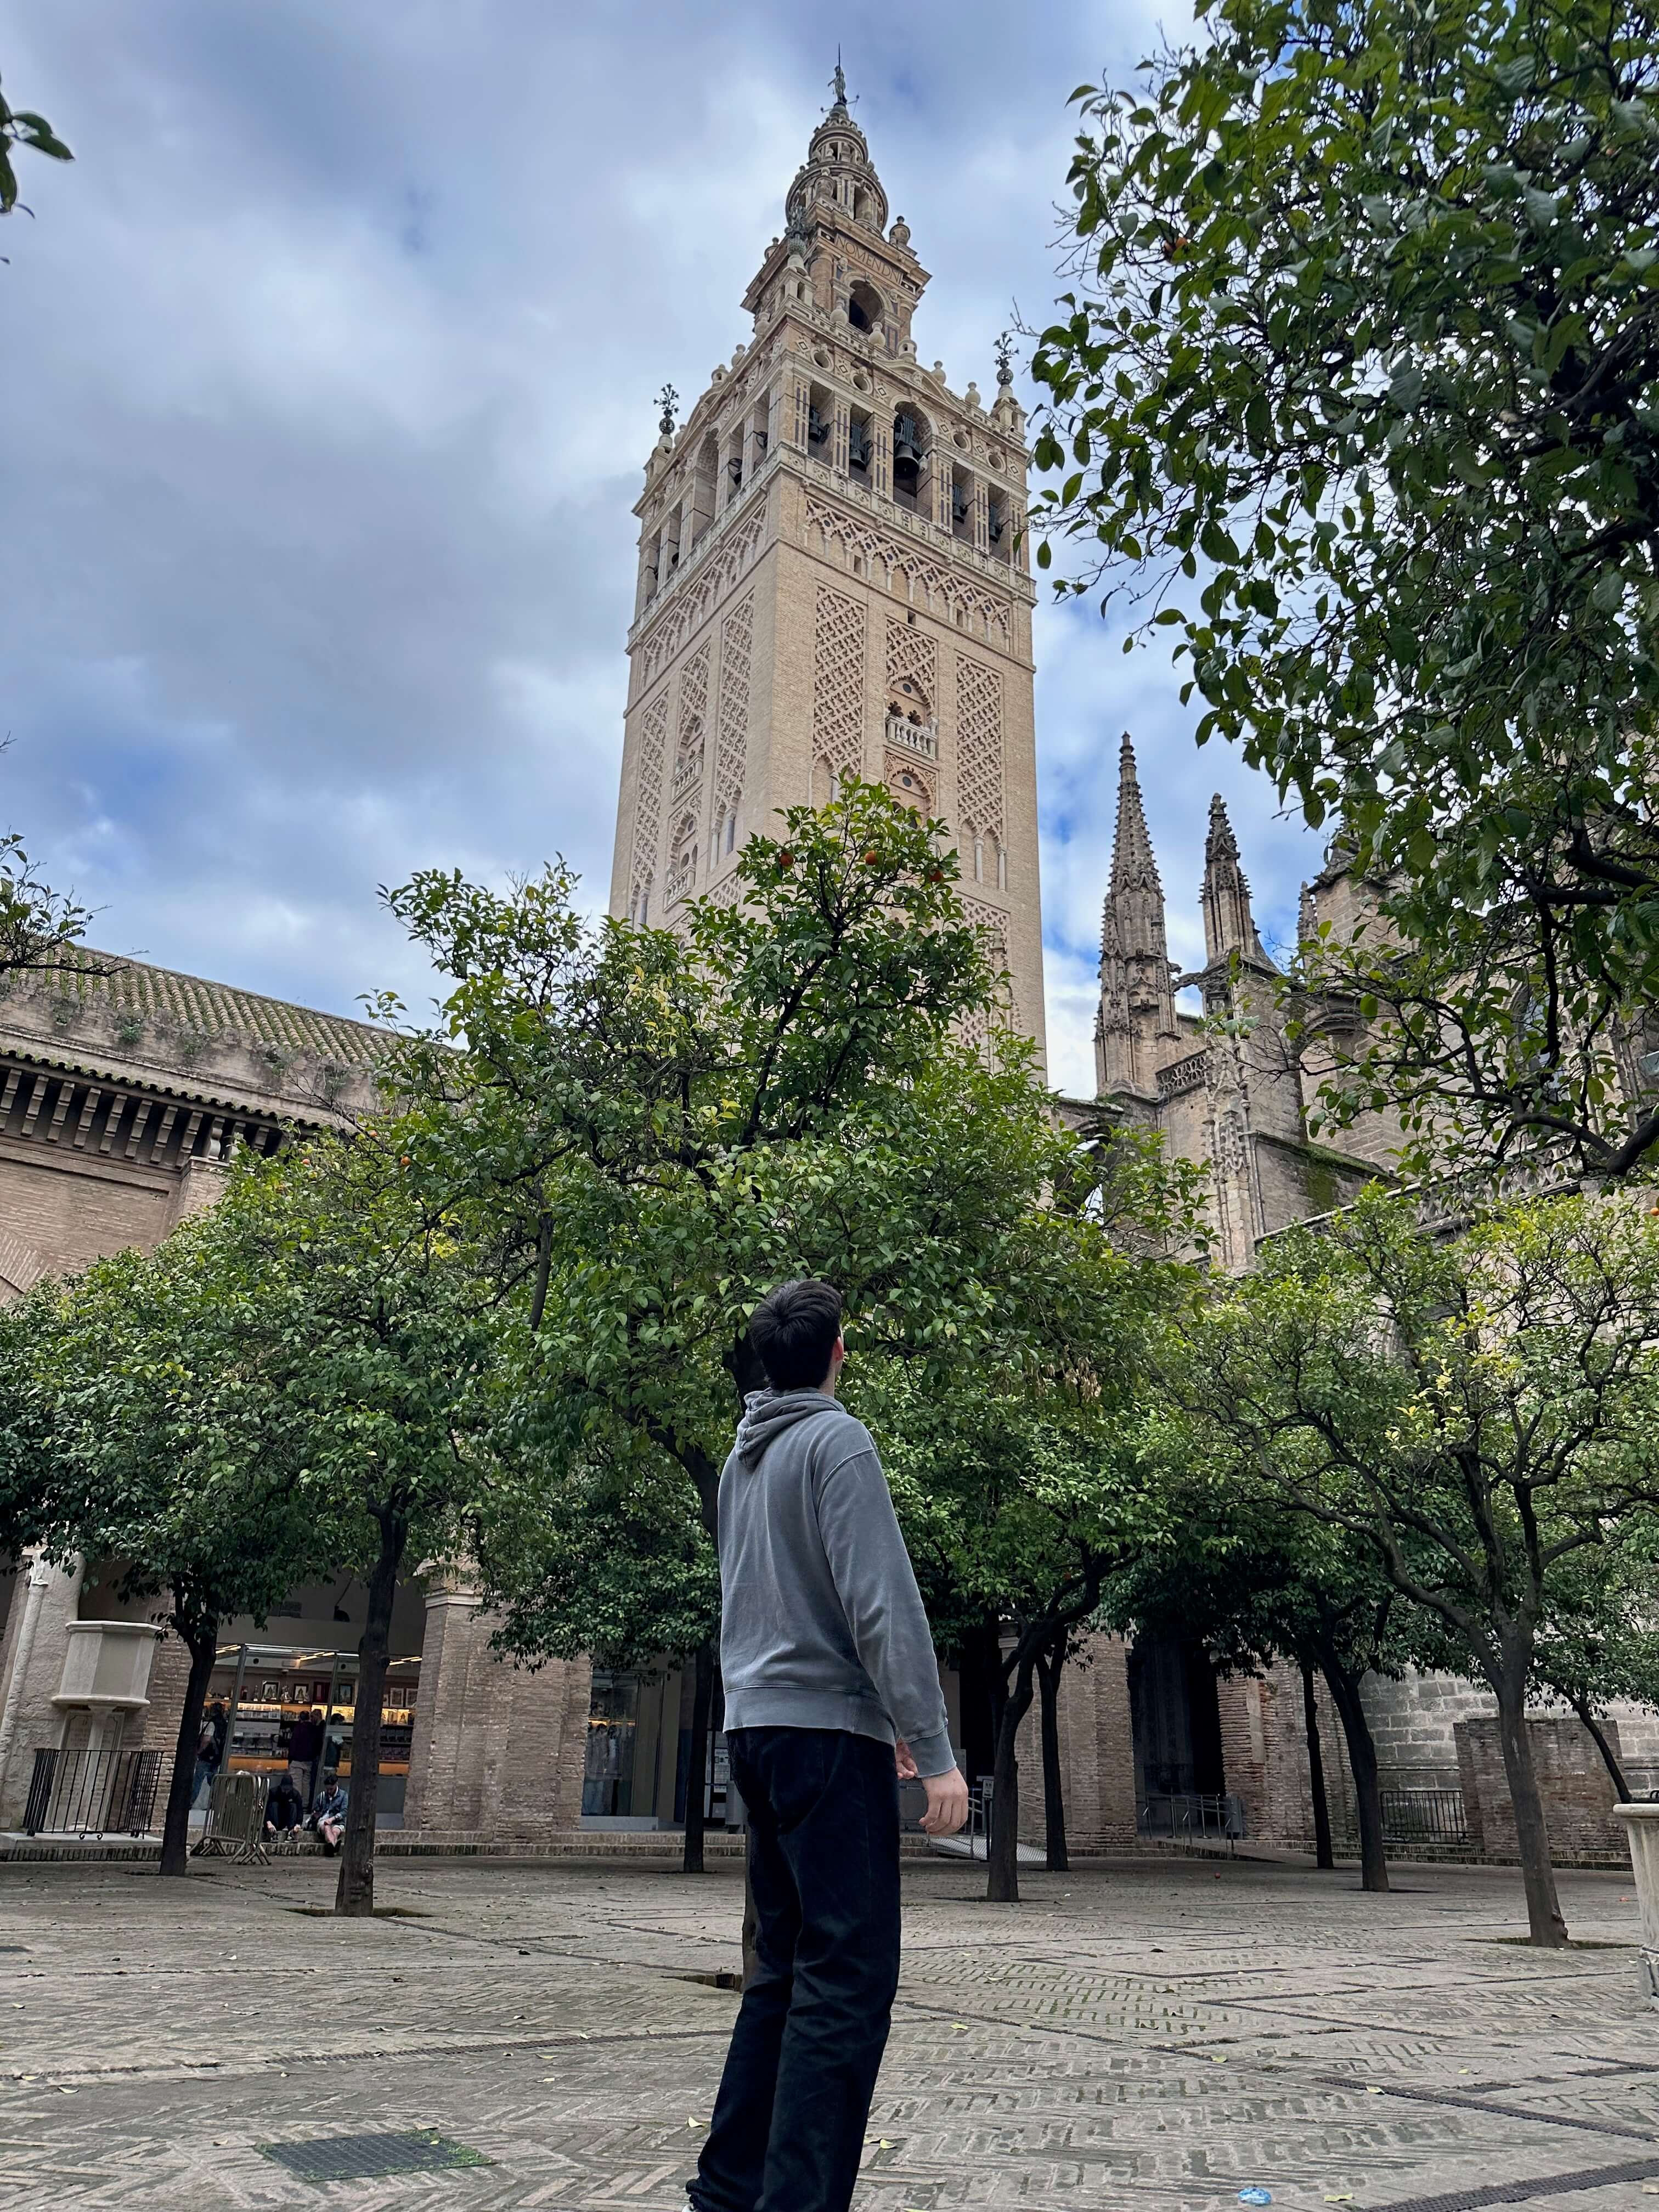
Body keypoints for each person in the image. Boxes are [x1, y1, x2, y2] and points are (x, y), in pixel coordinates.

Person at [689, 1278, 968, 2212]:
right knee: (845, 1981)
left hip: (757, 1730)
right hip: (820, 1739)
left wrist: (873, 1719)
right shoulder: (836, 1439)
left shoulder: (741, 1461)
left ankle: (727, 2191)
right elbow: (880, 1602)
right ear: (838, 1353)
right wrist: (931, 1746)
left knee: (781, 1970)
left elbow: (758, 1601)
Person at [191, 1699, 227, 1810]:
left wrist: (199, 1751)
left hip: (207, 1757)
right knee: (214, 1783)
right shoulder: (224, 1724)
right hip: (216, 1758)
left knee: (197, 1781)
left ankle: (190, 1803)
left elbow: (206, 1740)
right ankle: (217, 1804)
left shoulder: (212, 1723)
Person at [309, 1773, 348, 1855]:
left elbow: (344, 1811)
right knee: (327, 1827)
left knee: (335, 1831)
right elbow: (315, 1810)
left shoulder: (343, 1795)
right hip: (323, 1821)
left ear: (336, 1784)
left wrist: (333, 1819)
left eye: (331, 1789)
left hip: (338, 1822)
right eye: (328, 1789)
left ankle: (331, 1846)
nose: (329, 1791)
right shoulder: (322, 1796)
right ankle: (334, 1846)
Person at [264, 1770, 305, 1839]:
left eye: (288, 1790)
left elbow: (300, 1810)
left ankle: (291, 1832)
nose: (286, 1792)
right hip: (274, 1819)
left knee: (293, 1806)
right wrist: (268, 1822)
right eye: (284, 1789)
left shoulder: (295, 1794)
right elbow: (265, 1809)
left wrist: (298, 1824)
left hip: (287, 1819)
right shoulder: (273, 1793)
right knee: (274, 1804)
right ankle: (273, 1833)